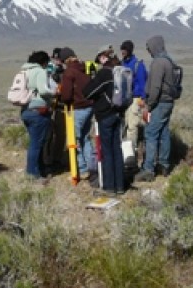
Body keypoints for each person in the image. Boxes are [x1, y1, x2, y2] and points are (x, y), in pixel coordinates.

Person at [134, 35, 178, 182]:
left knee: (151, 133)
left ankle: (148, 169)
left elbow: (155, 87)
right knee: (164, 132)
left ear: (155, 46)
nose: (149, 51)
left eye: (149, 48)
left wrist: (149, 105)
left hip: (159, 103)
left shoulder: (158, 63)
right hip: (168, 102)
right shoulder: (169, 60)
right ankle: (164, 165)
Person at [84, 45, 125, 195]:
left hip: (105, 115)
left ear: (103, 57)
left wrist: (92, 78)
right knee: (117, 149)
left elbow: (88, 92)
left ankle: (109, 187)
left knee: (107, 151)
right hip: (118, 113)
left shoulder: (104, 74)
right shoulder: (120, 70)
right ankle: (120, 185)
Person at [58, 47, 96, 182]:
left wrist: (61, 96)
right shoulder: (84, 67)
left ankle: (82, 169)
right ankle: (93, 168)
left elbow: (67, 95)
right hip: (89, 106)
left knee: (75, 140)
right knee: (85, 138)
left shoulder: (69, 72)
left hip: (78, 108)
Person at [20, 50, 57, 180]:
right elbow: (43, 90)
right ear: (44, 62)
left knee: (35, 142)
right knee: (36, 144)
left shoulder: (25, 71)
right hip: (39, 111)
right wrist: (54, 92)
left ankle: (38, 170)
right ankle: (33, 174)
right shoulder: (40, 72)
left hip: (26, 111)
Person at [119, 40, 148, 168]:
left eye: (124, 50)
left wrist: (142, 100)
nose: (122, 52)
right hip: (123, 99)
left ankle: (132, 157)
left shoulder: (137, 65)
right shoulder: (122, 64)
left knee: (132, 128)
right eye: (122, 50)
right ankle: (125, 155)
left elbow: (142, 84)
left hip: (135, 99)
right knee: (124, 128)